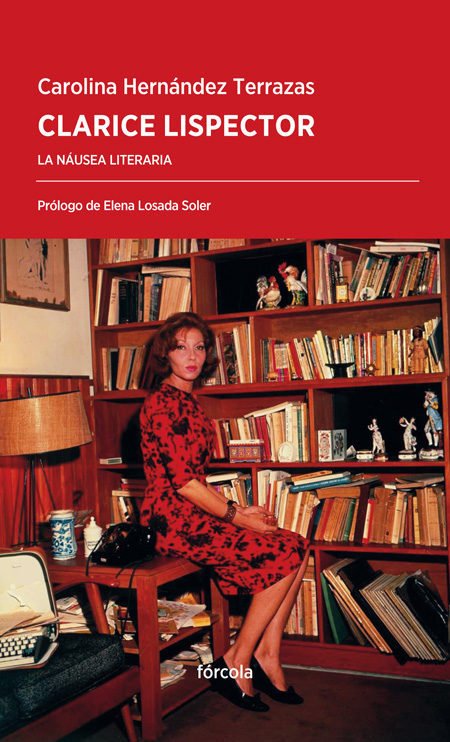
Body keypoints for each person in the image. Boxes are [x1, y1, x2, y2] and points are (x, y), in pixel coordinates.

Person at [139, 311, 309, 712]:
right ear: (165, 354)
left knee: (299, 545)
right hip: (169, 519)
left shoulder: (189, 402)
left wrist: (238, 508)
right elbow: (184, 483)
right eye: (181, 347)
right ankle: (236, 659)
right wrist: (238, 517)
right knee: (282, 552)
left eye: (199, 347)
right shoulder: (161, 403)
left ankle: (267, 654)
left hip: (193, 513)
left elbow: (195, 479)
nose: (191, 356)